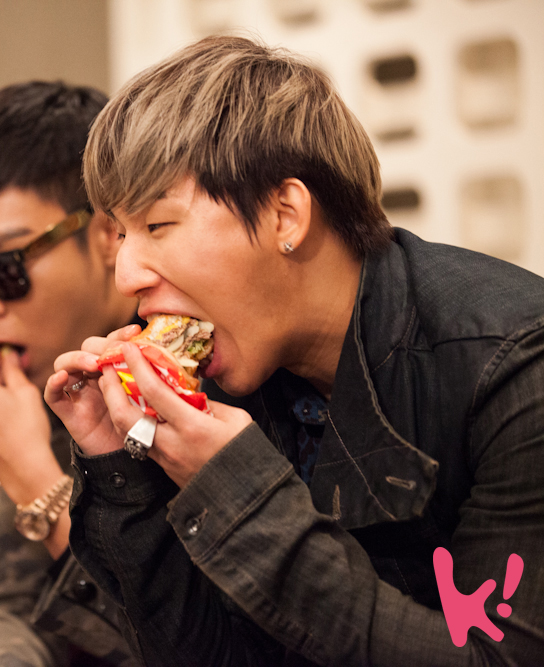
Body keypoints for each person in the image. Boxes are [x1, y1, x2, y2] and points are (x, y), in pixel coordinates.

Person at [46, 35, 544, 666]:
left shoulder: (514, 365)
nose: (126, 276)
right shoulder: (228, 375)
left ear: (285, 215)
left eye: (157, 225)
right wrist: (123, 470)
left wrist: (236, 491)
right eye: (121, 234)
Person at [0, 81, 143, 666]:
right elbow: (9, 605)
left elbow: (182, 642)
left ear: (106, 234)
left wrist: (31, 478)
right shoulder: (51, 377)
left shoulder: (197, 366)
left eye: (4, 268)